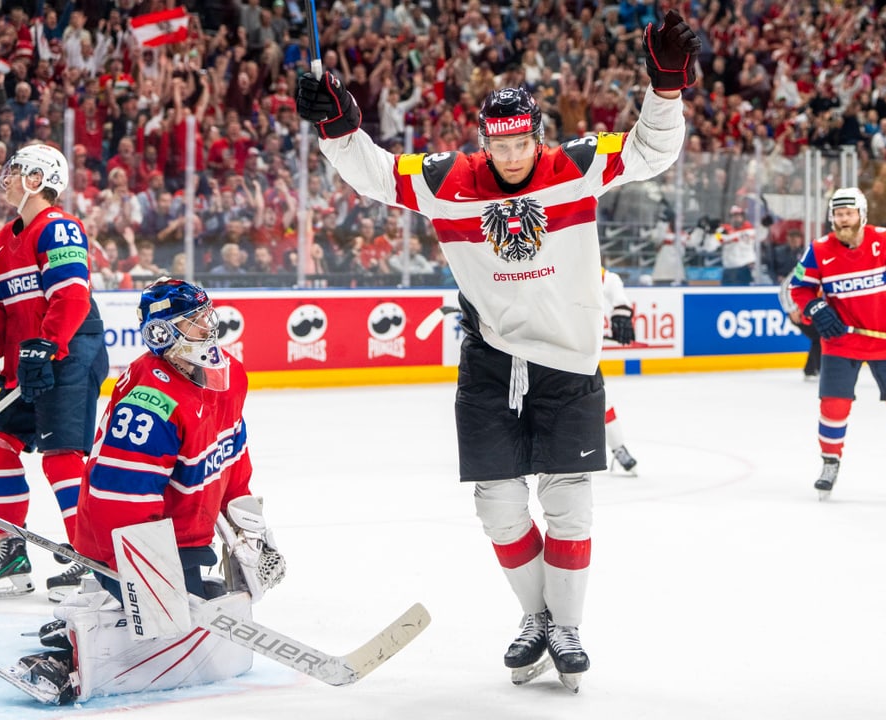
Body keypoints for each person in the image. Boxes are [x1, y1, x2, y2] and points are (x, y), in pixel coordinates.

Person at [296, 9, 698, 689]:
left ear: (536, 136)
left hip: (569, 361)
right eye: (499, 144)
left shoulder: (576, 165)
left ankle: (563, 626)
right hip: (489, 358)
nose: (511, 156)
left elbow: (652, 151)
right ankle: (536, 617)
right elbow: (378, 175)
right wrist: (338, 128)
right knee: (498, 505)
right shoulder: (449, 177)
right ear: (483, 139)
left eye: (521, 143)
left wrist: (664, 88)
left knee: (568, 501)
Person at [0, 278, 285, 705]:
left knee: (213, 603)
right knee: (176, 621)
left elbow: (231, 459)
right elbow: (121, 499)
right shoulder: (150, 399)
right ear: (162, 334)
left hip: (184, 533)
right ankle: (77, 655)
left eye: (208, 316)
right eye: (194, 322)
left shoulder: (231, 377)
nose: (209, 328)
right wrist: (148, 581)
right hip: (121, 539)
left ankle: (104, 611)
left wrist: (251, 534)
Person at [0, 144, 109, 601]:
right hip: (32, 358)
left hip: (70, 352)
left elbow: (72, 298)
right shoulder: (5, 239)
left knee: (62, 457)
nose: (7, 176)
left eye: (18, 170)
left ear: (40, 180)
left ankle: (92, 560)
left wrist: (47, 345)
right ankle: (13, 553)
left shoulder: (59, 228)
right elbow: (1, 307)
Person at [789, 187, 886, 500]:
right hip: (840, 342)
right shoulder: (819, 249)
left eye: (849, 213)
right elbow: (799, 289)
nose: (843, 219)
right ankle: (830, 462)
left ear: (862, 214)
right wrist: (816, 308)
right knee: (833, 406)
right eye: (838, 213)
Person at [601, 267, 639, 473]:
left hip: (581, 357)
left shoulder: (579, 262)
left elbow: (610, 279)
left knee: (600, 402)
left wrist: (621, 309)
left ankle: (618, 448)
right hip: (540, 353)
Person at [779, 268, 821, 381]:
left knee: (820, 336)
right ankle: (815, 369)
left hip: (811, 310)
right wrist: (792, 309)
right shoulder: (804, 267)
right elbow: (786, 287)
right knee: (820, 336)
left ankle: (812, 370)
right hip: (799, 312)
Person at [717, 204, 757, 285]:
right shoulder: (722, 230)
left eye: (739, 216)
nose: (737, 218)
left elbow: (761, 235)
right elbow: (718, 239)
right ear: (730, 218)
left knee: (745, 294)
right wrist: (731, 236)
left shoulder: (750, 230)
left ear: (743, 217)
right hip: (729, 268)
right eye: (734, 216)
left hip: (745, 267)